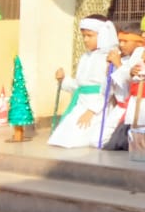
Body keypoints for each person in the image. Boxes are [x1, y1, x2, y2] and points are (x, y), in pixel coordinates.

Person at [49, 14, 119, 148]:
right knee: (60, 138)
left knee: (77, 138)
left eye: (90, 35)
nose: (85, 40)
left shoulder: (109, 57)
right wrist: (63, 80)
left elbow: (110, 88)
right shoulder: (85, 57)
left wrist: (92, 111)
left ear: (103, 35)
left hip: (98, 106)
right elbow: (79, 85)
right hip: (81, 104)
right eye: (83, 36)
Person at [101, 23, 145, 148]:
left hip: (133, 107)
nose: (121, 45)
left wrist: (118, 64)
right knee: (97, 141)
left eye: (126, 41)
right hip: (119, 107)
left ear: (139, 43)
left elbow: (131, 83)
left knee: (112, 142)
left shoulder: (141, 55)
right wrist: (109, 69)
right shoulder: (124, 60)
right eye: (120, 41)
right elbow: (107, 91)